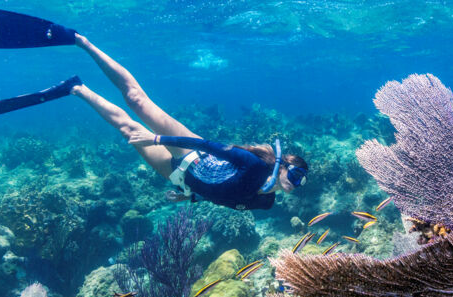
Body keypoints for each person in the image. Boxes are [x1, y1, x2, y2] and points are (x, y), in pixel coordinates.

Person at [70, 33, 308, 210]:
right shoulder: (254, 165)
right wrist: (156, 139)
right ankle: (84, 43)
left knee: (128, 130)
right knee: (136, 101)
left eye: (301, 183)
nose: (296, 184)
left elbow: (226, 197)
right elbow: (207, 145)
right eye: (296, 175)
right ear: (285, 165)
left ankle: (77, 88)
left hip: (181, 178)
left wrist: (190, 197)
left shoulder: (266, 202)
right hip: (193, 153)